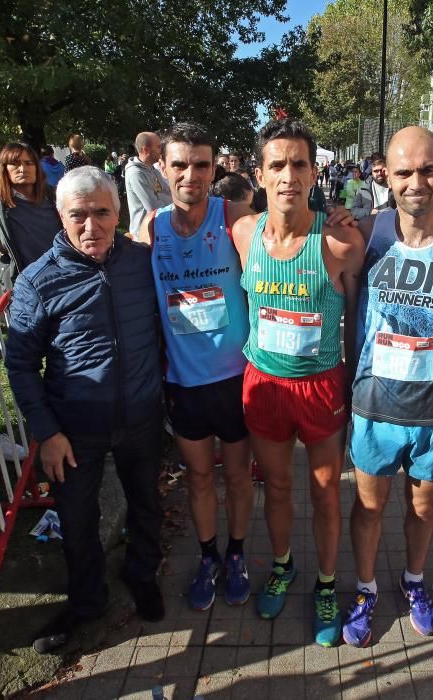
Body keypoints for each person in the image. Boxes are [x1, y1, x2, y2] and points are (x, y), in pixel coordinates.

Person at [342, 125, 433, 648]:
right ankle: (364, 590)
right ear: (386, 172)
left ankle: (413, 582)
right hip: (374, 404)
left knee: (424, 508)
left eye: (428, 169)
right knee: (368, 508)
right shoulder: (366, 231)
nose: (416, 181)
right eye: (404, 171)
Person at [6, 167, 165, 654]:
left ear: (119, 213)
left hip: (142, 417)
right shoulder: (38, 281)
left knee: (147, 505)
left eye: (102, 213)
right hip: (74, 429)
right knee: (77, 520)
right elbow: (21, 364)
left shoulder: (143, 263)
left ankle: (142, 575)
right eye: (79, 215)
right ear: (61, 215)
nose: (91, 226)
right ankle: (87, 599)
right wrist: (46, 431)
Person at [231, 118, 365, 647]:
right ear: (260, 174)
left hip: (320, 388)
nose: (289, 175)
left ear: (314, 173)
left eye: (299, 164)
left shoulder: (338, 243)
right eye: (278, 165)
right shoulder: (243, 232)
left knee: (327, 490)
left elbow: (359, 308)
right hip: (264, 384)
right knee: (279, 487)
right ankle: (283, 565)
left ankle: (327, 584)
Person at [137, 122, 254, 614]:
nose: (191, 174)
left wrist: (332, 219)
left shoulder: (236, 217)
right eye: (180, 164)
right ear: (161, 168)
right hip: (183, 382)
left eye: (201, 164)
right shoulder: (149, 228)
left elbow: (289, 237)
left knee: (239, 477)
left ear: (214, 168)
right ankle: (208, 557)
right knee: (201, 476)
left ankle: (238, 554)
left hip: (236, 378)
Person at [0, 143, 61, 294]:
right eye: (15, 164)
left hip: (61, 280)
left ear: (37, 167)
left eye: (28, 163)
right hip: (21, 287)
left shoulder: (55, 197)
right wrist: (5, 249)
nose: (23, 169)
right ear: (4, 168)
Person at [125, 131, 172, 239]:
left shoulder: (154, 170)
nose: (162, 151)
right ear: (146, 150)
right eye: (159, 147)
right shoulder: (135, 174)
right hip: (144, 235)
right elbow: (153, 207)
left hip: (158, 229)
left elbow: (168, 191)